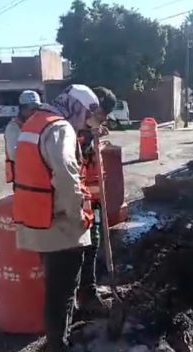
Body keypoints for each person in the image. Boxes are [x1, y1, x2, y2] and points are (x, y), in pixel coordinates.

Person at [12, 84, 112, 352]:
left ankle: (59, 345)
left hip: (37, 220)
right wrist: (76, 214)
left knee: (55, 289)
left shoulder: (35, 122)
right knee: (63, 293)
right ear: (77, 106)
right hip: (59, 225)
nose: (86, 120)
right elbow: (67, 176)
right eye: (88, 113)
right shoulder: (61, 128)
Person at [76, 87, 117, 314]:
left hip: (94, 197)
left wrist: (96, 135)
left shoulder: (89, 129)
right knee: (86, 246)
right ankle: (86, 294)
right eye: (101, 114)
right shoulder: (74, 131)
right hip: (82, 200)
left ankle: (88, 289)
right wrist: (91, 139)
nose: (102, 119)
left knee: (94, 241)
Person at [4, 90, 42, 185]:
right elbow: (14, 154)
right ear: (22, 109)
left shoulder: (36, 124)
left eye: (37, 108)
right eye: (31, 108)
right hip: (22, 179)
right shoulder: (13, 127)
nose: (35, 112)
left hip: (36, 176)